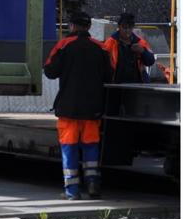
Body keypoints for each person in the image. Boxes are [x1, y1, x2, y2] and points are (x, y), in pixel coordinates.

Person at [43, 11, 115, 200]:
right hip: (93, 108)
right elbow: (111, 75)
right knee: (91, 147)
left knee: (69, 149)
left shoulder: (63, 45)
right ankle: (93, 183)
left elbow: (50, 70)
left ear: (72, 26)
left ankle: (72, 192)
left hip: (69, 108)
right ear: (89, 27)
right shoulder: (100, 48)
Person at [104, 13, 155, 84]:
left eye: (130, 27)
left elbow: (151, 61)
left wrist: (143, 51)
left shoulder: (140, 42)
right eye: (124, 27)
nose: (127, 30)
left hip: (137, 84)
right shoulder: (110, 42)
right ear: (119, 26)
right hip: (117, 85)